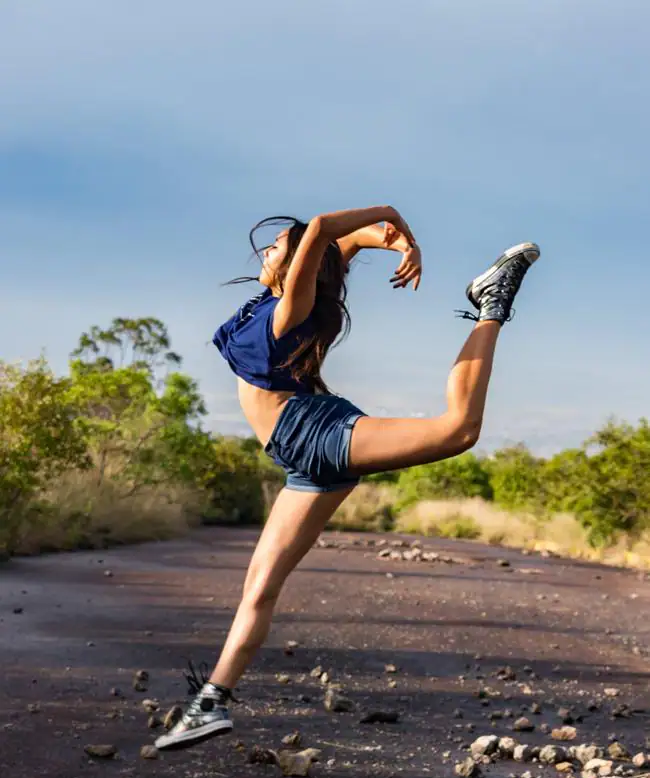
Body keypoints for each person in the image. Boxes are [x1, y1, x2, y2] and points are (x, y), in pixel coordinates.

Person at [155, 205, 539, 750]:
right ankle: (210, 704)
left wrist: (390, 214)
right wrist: (399, 243)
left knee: (458, 430)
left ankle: (492, 304)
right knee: (260, 587)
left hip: (314, 433)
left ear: (299, 266)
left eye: (276, 249)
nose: (265, 253)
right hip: (300, 459)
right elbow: (348, 240)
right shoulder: (282, 299)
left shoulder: (292, 308)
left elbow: (323, 232)